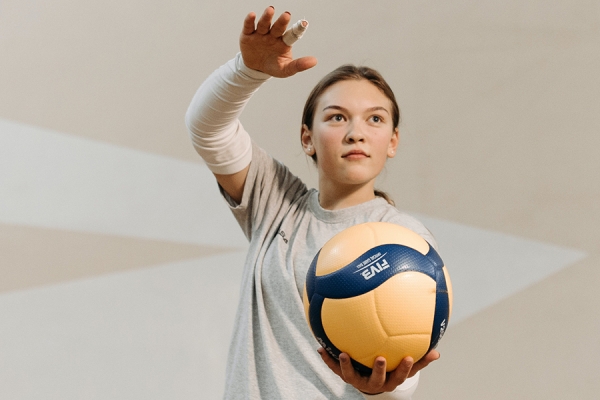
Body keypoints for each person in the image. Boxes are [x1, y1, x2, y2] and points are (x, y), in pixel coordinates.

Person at [185, 6, 440, 399]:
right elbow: (208, 128)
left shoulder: (405, 241)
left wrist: (381, 391)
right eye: (337, 118)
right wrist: (246, 71)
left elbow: (404, 368)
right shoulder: (274, 202)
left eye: (374, 120)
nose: (356, 132)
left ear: (392, 141)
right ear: (307, 138)